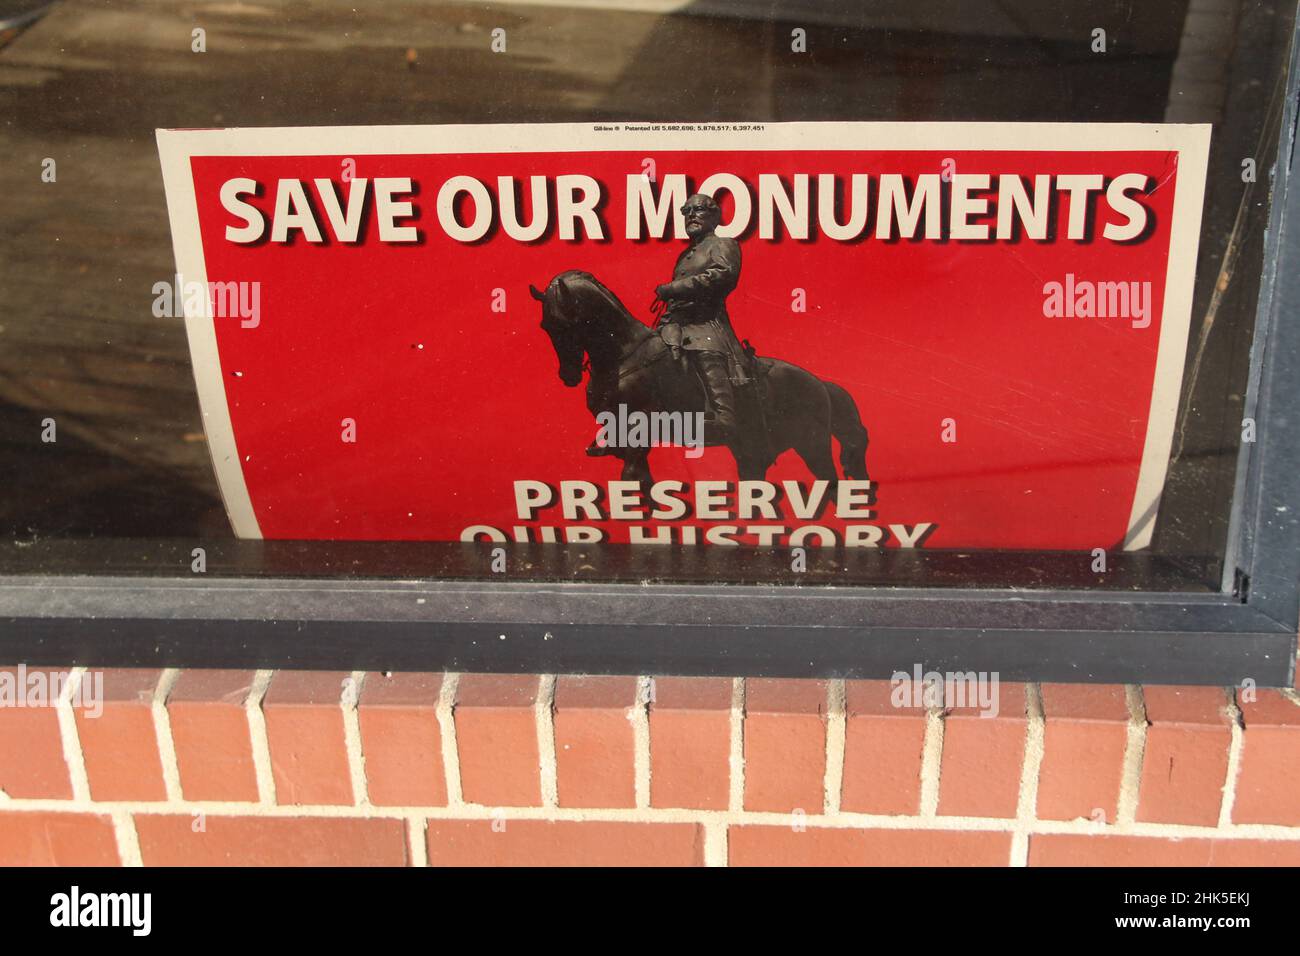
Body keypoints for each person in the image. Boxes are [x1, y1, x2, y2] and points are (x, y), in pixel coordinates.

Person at [654, 193, 746, 438]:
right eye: (686, 212)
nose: (691, 216)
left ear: (714, 215)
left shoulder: (723, 243)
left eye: (698, 210)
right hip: (677, 324)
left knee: (705, 353)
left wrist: (673, 288)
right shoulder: (685, 255)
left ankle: (724, 416)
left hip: (706, 323)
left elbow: (723, 274)